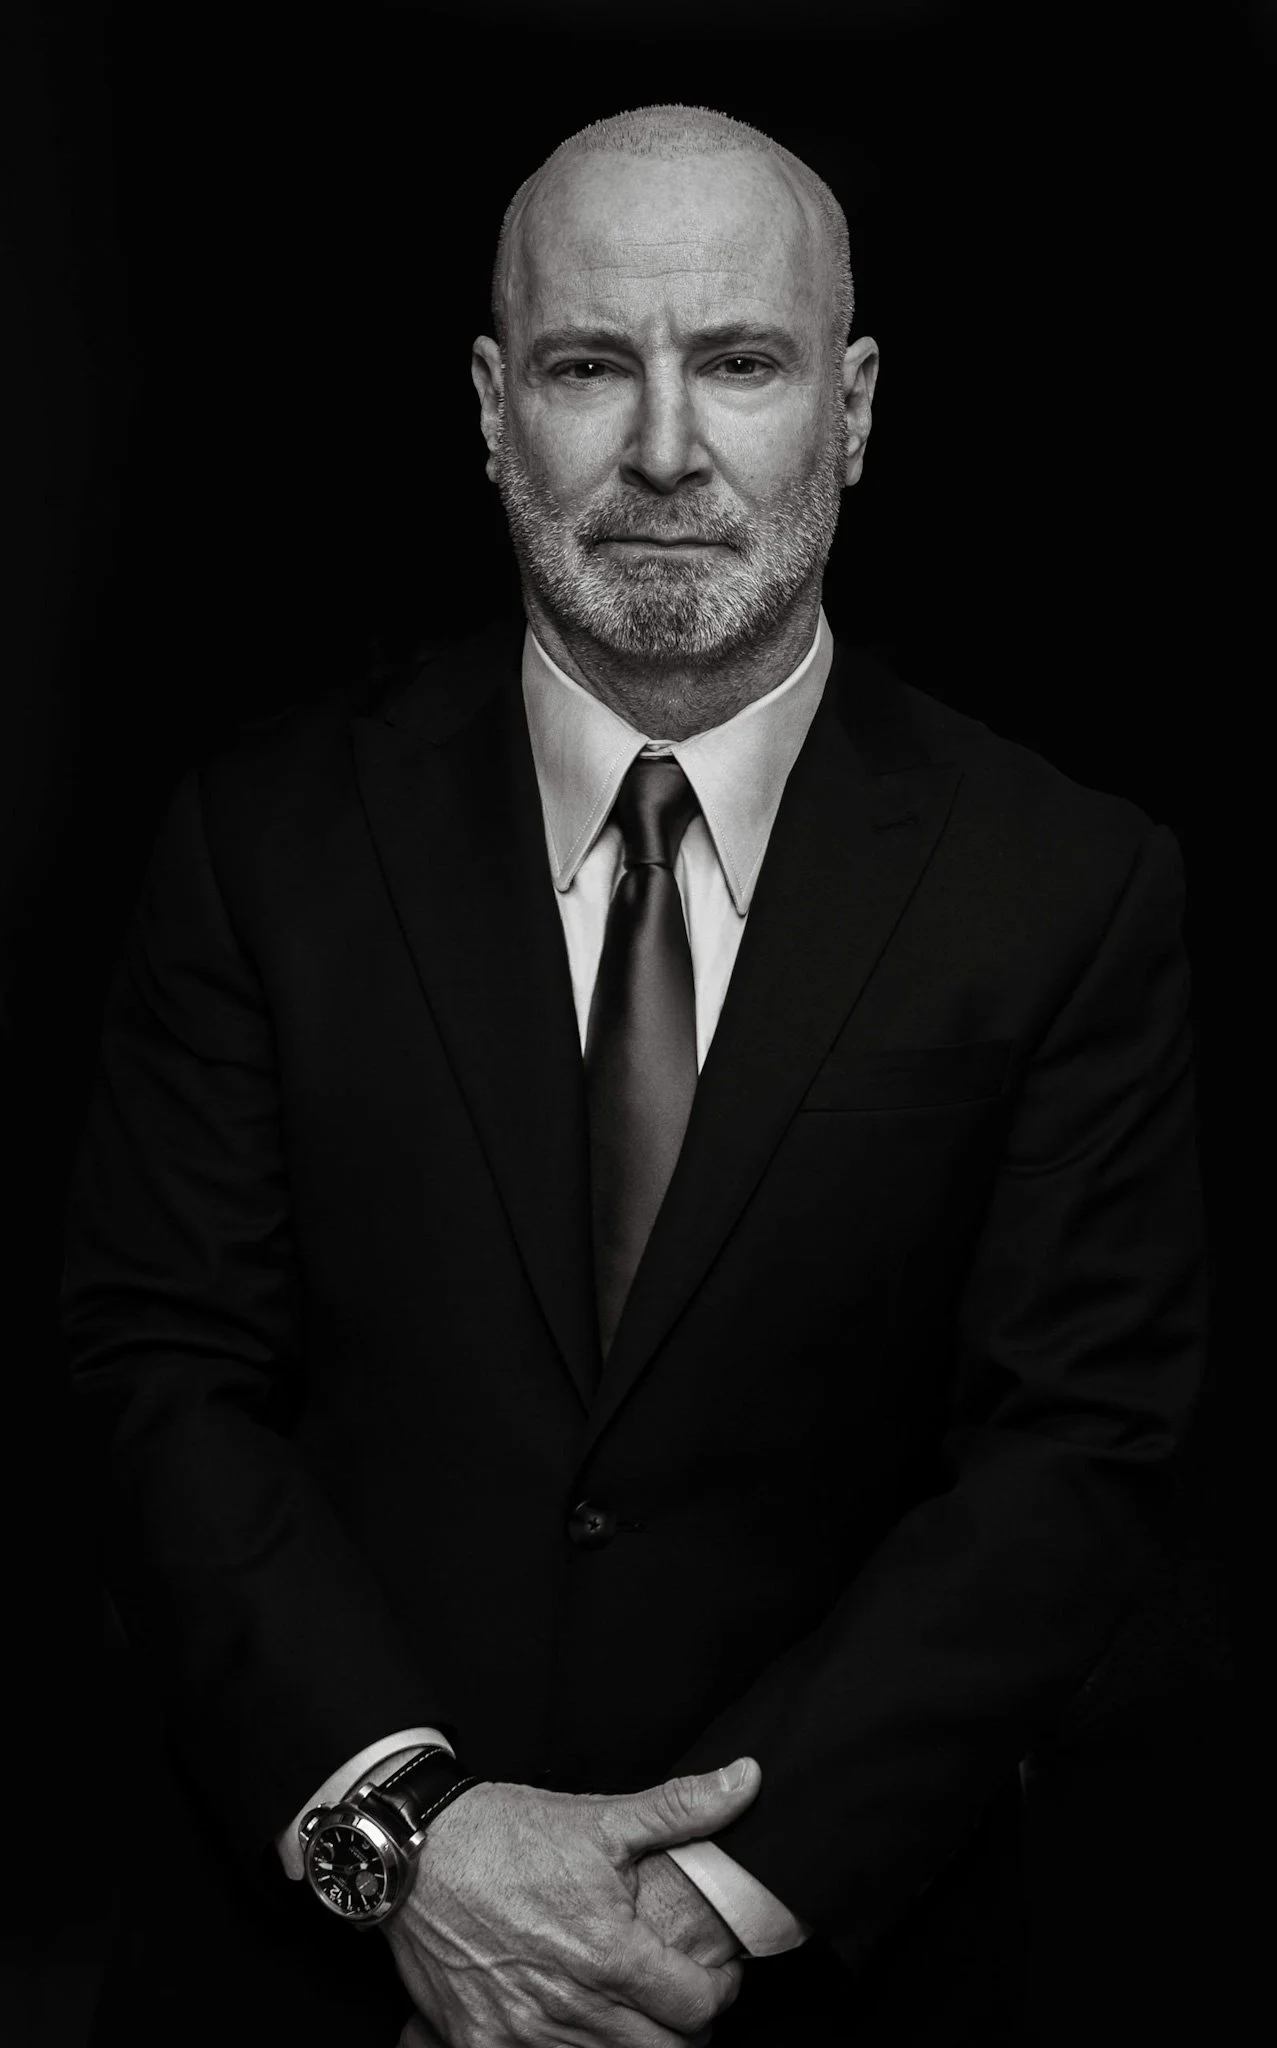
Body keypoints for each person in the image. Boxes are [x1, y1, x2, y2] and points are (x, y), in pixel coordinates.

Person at [62, 103, 1207, 2048]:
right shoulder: (260, 846)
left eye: (738, 362)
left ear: (845, 409)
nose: (665, 449)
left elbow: (1076, 1455)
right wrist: (410, 1829)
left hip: (846, 1973)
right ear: (494, 408)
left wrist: (686, 1909)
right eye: (593, 366)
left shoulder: (1068, 888)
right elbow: (159, 1374)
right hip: (307, 1974)